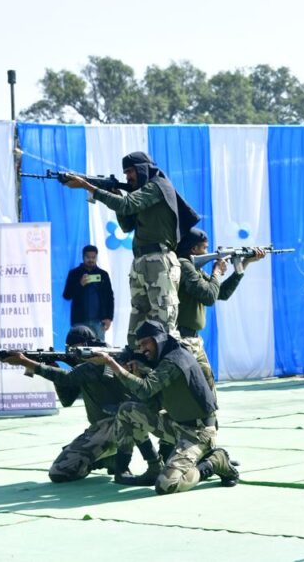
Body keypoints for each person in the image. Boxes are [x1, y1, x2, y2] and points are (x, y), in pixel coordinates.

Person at [85, 319, 239, 495]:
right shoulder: (161, 361)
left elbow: (146, 389)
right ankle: (152, 466)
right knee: (127, 411)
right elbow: (151, 403)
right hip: (175, 425)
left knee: (167, 484)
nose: (142, 349)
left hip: (198, 432)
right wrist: (136, 374)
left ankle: (214, 462)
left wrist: (111, 363)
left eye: (145, 343)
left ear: (158, 339)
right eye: (139, 346)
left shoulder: (175, 359)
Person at [62, 152, 199, 347]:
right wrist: (115, 194)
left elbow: (127, 205)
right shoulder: (143, 192)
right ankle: (137, 365)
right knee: (138, 323)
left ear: (143, 168)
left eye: (130, 172)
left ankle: (172, 364)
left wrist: (88, 186)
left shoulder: (158, 186)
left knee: (164, 321)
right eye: (125, 173)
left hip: (159, 260)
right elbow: (126, 224)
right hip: (142, 262)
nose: (128, 177)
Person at [0, 326, 159, 483]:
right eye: (70, 350)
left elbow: (68, 378)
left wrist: (26, 362)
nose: (73, 353)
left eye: (76, 349)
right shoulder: (87, 368)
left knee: (60, 472)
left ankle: (111, 459)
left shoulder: (102, 362)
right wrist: (52, 366)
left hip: (116, 425)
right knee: (59, 472)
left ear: (88, 345)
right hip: (102, 428)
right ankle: (107, 459)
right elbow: (67, 400)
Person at [176, 228, 266, 392]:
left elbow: (221, 293)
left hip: (193, 339)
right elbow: (209, 296)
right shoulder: (184, 264)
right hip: (182, 339)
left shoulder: (193, 268)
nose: (207, 252)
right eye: (204, 248)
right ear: (193, 249)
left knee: (207, 391)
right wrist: (217, 272)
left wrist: (244, 264)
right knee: (192, 390)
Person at [61, 245, 114, 338]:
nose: (91, 260)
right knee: (79, 349)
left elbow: (110, 297)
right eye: (88, 257)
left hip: (99, 322)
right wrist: (80, 284)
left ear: (96, 257)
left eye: (93, 257)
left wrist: (109, 318)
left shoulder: (103, 274)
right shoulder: (74, 274)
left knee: (99, 349)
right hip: (79, 321)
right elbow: (67, 295)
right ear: (83, 257)